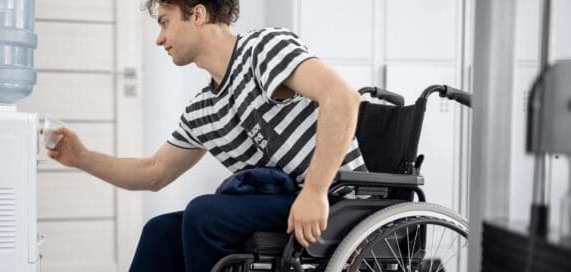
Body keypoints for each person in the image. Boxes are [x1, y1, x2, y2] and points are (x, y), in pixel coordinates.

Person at [47, 0, 366, 270]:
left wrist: (315, 191)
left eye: (165, 23)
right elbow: (154, 172)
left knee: (204, 214)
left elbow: (342, 97)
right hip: (285, 202)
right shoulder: (204, 108)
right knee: (159, 232)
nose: (160, 39)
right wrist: (83, 158)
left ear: (197, 15)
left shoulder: (263, 50)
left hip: (338, 201)